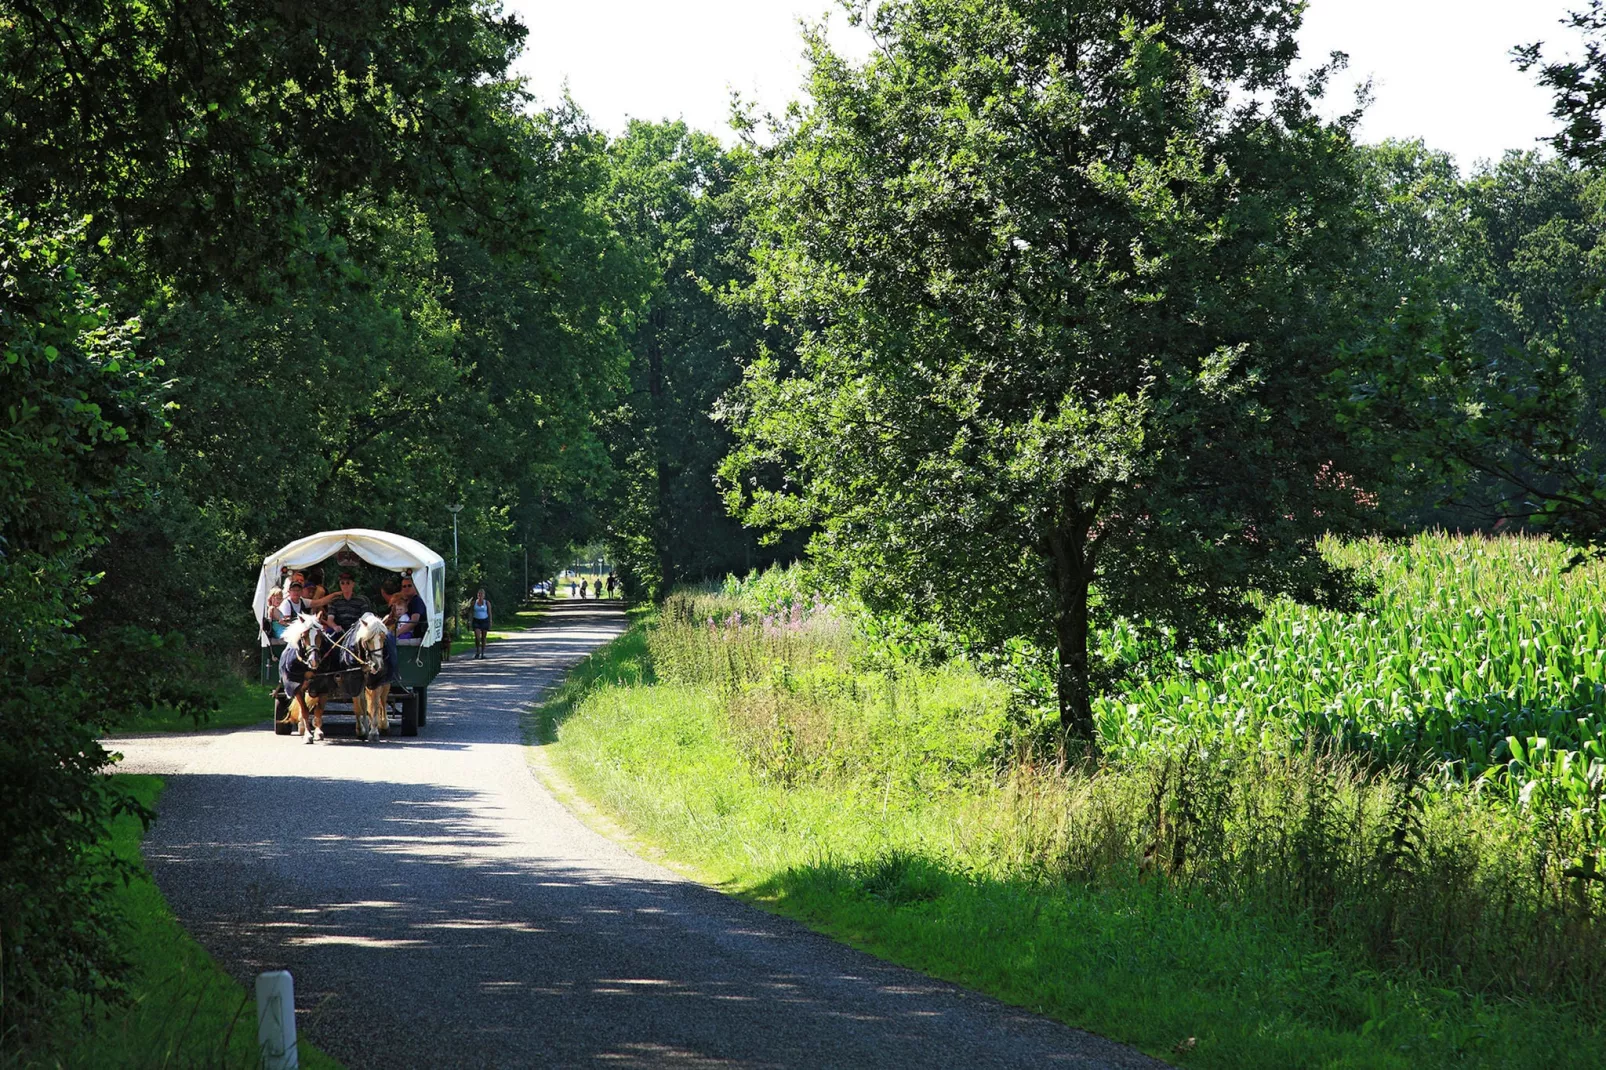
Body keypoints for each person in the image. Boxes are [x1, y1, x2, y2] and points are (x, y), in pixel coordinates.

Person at [469, 588, 492, 659]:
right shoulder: (474, 603)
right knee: (477, 637)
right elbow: (471, 612)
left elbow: (489, 612)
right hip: (476, 621)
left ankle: (483, 653)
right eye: (479, 594)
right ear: (477, 595)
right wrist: (469, 621)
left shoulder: (487, 603)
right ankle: (477, 651)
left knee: (483, 637)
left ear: (484, 595)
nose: (480, 595)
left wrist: (490, 621)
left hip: (485, 620)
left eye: (481, 594)